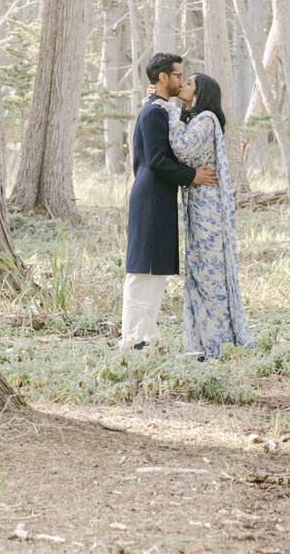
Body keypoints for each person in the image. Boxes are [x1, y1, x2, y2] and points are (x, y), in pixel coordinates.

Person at [122, 52, 216, 349]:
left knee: (156, 269)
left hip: (160, 196)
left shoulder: (161, 110)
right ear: (163, 78)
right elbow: (157, 161)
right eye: (178, 75)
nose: (180, 80)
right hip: (149, 197)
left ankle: (147, 335)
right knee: (142, 270)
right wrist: (192, 176)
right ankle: (132, 338)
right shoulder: (153, 113)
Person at [165, 72, 253, 360]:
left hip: (208, 211)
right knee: (199, 273)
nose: (183, 85)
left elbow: (183, 149)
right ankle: (203, 343)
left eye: (189, 83)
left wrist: (168, 113)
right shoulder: (195, 119)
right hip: (198, 206)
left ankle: (218, 345)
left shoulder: (205, 120)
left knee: (210, 275)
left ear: (200, 94)